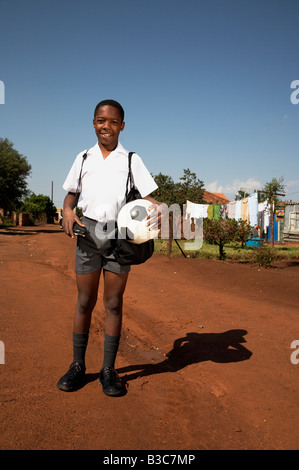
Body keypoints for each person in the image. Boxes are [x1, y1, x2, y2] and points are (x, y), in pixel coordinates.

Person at [57, 99, 162, 396]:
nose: (107, 126)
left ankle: (108, 370)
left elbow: (150, 198)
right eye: (102, 121)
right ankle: (78, 365)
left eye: (113, 122)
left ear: (122, 126)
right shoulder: (83, 158)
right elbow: (70, 197)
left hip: (120, 236)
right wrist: (67, 211)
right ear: (93, 123)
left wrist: (160, 209)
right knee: (85, 301)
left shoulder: (131, 160)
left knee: (113, 303)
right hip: (88, 234)